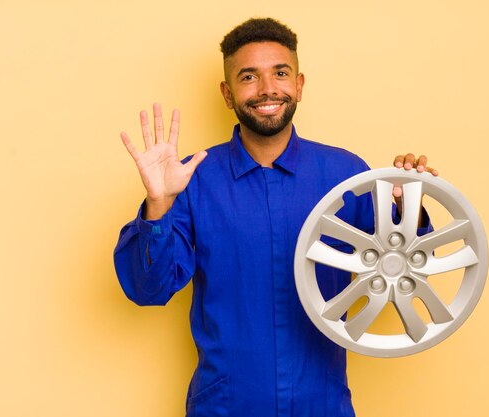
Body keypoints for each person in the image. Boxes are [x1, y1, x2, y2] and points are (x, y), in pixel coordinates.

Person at [114, 17, 437, 417]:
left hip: (323, 404)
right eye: (248, 76)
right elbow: (148, 290)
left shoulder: (346, 175)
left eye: (280, 73)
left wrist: (409, 206)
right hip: (226, 406)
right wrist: (158, 203)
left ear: (299, 84)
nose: (268, 89)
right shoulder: (191, 180)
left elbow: (407, 271)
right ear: (227, 94)